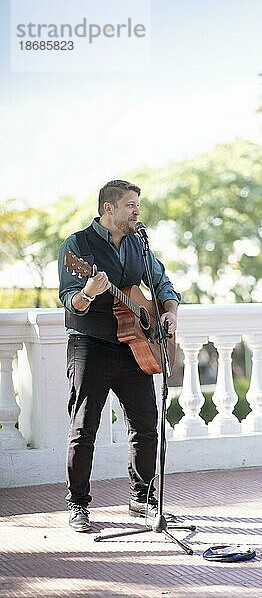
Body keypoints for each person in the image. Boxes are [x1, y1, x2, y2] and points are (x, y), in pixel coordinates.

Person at [58, 179, 180, 532]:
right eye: (130, 205)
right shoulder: (77, 246)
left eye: (137, 205)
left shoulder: (139, 245)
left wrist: (169, 311)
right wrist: (88, 291)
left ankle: (141, 498)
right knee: (84, 428)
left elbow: (162, 284)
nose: (137, 212)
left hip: (135, 348)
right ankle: (78, 505)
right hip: (90, 345)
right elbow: (71, 301)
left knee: (147, 427)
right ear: (108, 209)